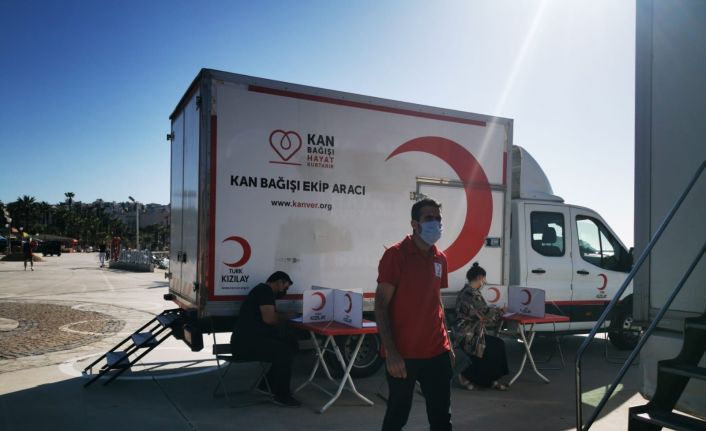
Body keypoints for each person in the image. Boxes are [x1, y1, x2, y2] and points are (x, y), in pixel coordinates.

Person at [375, 197, 454, 431]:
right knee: (397, 415)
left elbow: (436, 301)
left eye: (438, 218)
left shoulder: (440, 258)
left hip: (437, 351)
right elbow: (381, 305)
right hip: (403, 354)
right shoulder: (396, 255)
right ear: (414, 224)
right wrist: (391, 352)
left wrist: (448, 344)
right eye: (429, 218)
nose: (435, 223)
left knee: (441, 417)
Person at [230, 271, 301, 407]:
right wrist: (288, 316)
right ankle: (282, 395)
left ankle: (267, 385)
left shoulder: (262, 291)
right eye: (285, 287)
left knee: (291, 344)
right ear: (279, 282)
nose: (285, 291)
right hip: (245, 345)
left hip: (248, 342)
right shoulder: (265, 292)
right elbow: (269, 319)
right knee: (284, 352)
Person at [453, 262, 509, 391]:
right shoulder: (472, 294)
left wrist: (494, 312)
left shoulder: (466, 291)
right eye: (484, 279)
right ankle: (490, 380)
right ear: (479, 277)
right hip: (469, 335)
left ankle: (491, 380)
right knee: (497, 346)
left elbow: (481, 312)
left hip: (467, 332)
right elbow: (485, 314)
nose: (485, 282)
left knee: (494, 345)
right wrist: (501, 312)